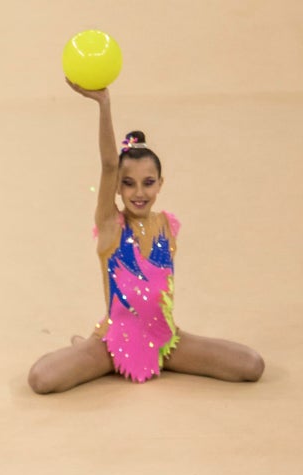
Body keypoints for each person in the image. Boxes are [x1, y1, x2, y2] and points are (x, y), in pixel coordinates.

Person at [27, 81, 264, 394]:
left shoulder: (167, 225)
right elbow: (110, 163)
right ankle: (83, 347)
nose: (139, 193)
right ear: (117, 188)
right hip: (113, 343)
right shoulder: (111, 225)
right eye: (128, 184)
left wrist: (166, 342)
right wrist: (104, 104)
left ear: (160, 184)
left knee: (251, 365)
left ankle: (97, 349)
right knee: (42, 379)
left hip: (166, 340)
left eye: (148, 183)